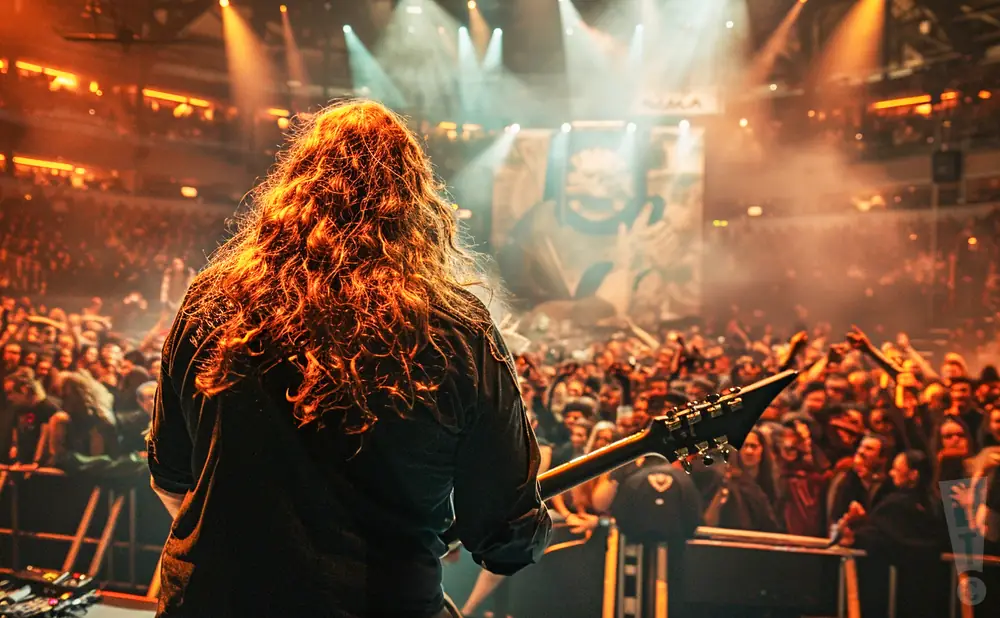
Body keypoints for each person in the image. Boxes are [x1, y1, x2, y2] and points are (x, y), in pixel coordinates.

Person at [147, 100, 551, 618]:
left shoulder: (212, 301)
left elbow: (170, 476)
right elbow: (507, 537)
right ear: (413, 202)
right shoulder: (457, 328)